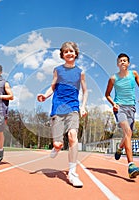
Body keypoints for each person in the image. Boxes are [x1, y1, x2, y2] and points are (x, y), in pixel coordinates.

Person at [37, 42, 88, 187]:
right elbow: (53, 86)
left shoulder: (80, 72)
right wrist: (45, 96)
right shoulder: (57, 70)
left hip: (73, 107)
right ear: (62, 55)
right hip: (58, 108)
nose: (69, 53)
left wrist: (83, 107)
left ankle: (72, 172)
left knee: (73, 136)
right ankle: (56, 147)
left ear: (76, 53)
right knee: (58, 143)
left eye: (71, 51)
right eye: (66, 52)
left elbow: (85, 91)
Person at [105, 53, 139, 179]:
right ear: (118, 64)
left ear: (128, 64)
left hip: (132, 107)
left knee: (128, 135)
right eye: (120, 61)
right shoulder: (113, 78)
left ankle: (119, 148)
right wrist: (114, 104)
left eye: (125, 61)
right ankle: (131, 165)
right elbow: (107, 94)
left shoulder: (134, 74)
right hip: (120, 108)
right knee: (127, 131)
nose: (123, 62)